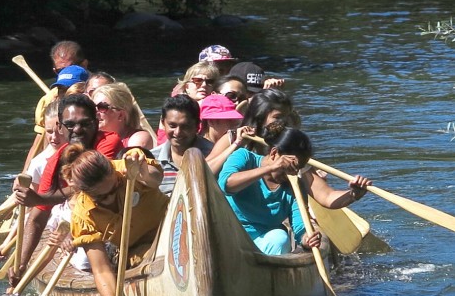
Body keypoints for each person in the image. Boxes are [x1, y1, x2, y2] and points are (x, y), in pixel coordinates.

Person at [9, 94, 124, 291]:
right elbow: (37, 217)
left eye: (85, 124)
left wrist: (40, 197)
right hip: (84, 224)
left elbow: (90, 184)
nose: (77, 130)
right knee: (82, 263)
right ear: (60, 127)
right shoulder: (54, 163)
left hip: (116, 218)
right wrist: (21, 263)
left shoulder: (108, 141)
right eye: (70, 125)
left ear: (96, 122)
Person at [207, 88, 372, 209]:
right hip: (229, 213)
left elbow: (326, 196)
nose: (284, 124)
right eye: (278, 118)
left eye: (286, 118)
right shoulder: (234, 138)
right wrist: (236, 144)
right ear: (259, 117)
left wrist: (353, 195)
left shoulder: (292, 147)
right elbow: (203, 171)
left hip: (272, 217)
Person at [62, 145, 168, 296]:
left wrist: (143, 170)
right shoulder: (82, 215)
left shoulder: (130, 168)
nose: (110, 198)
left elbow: (156, 178)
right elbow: (101, 268)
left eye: (114, 189)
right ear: (85, 193)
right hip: (136, 253)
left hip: (170, 232)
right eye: (102, 197)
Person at [218, 123, 321, 255]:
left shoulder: (295, 186)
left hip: (263, 248)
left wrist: (307, 239)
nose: (292, 173)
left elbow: (300, 227)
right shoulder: (244, 157)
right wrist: (271, 168)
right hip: (228, 240)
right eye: (288, 166)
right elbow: (226, 185)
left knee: (280, 238)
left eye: (297, 168)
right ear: (273, 154)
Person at [0, 101, 69, 264]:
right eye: (49, 132)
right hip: (53, 221)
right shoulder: (39, 163)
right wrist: (5, 245)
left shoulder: (82, 150)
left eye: (59, 131)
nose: (54, 137)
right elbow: (30, 211)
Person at [24, 41, 89, 171]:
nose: (67, 72)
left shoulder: (99, 92)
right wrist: (25, 173)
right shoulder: (48, 100)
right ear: (55, 71)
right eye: (61, 70)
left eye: (72, 67)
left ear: (84, 64)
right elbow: (41, 142)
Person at [151, 95, 214, 196]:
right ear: (163, 123)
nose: (178, 132)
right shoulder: (152, 159)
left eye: (185, 127)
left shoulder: (213, 153)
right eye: (172, 126)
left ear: (197, 126)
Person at [158, 61, 221, 144]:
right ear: (187, 86)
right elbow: (162, 139)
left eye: (210, 82)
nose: (204, 85)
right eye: (198, 80)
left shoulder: (220, 107)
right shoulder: (172, 107)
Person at [92, 82, 154, 149]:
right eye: (92, 107)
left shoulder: (138, 138)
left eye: (102, 107)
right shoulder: (88, 138)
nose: (95, 112)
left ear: (121, 115)